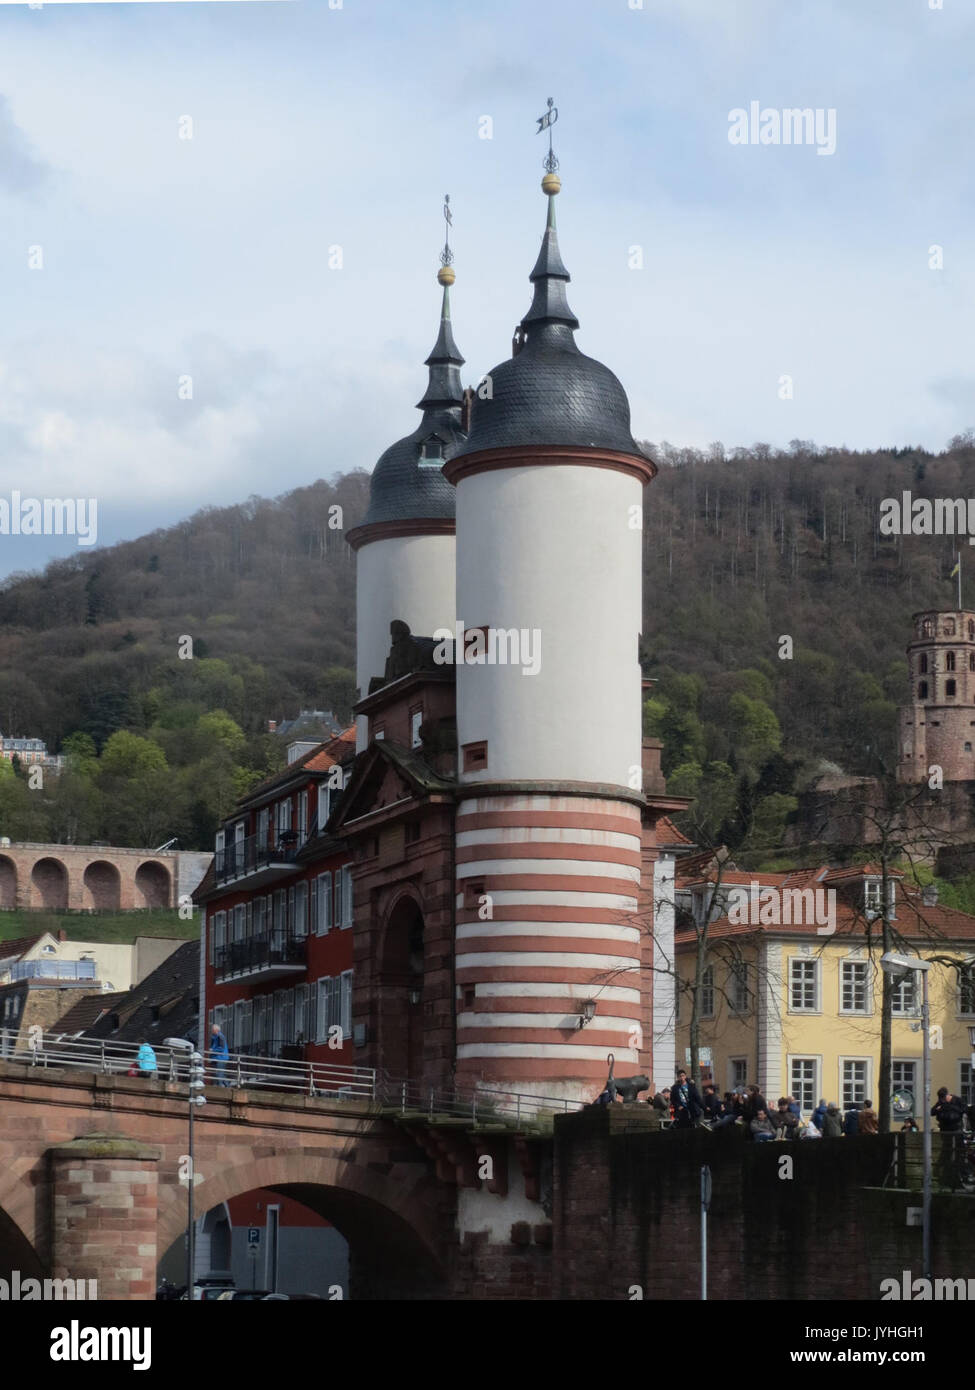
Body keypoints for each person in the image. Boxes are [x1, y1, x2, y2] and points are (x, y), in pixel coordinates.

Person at [210, 1021, 230, 1087]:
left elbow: (221, 1048)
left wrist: (212, 1050)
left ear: (216, 1030)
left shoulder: (220, 1037)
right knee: (221, 1073)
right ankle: (227, 1086)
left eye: (212, 1029)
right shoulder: (215, 1037)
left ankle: (219, 1085)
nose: (211, 1030)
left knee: (219, 1073)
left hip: (221, 1058)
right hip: (217, 1057)